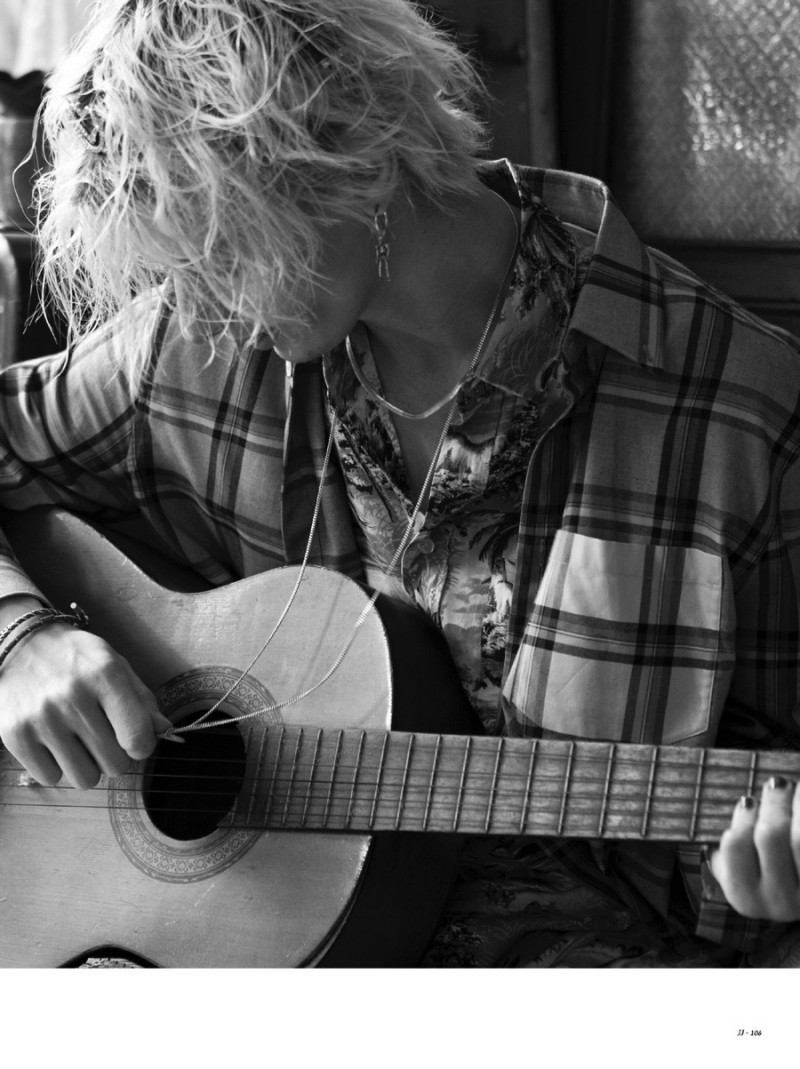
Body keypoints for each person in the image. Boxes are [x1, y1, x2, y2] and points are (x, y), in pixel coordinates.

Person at [0, 0, 799, 968]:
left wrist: (767, 886)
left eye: (218, 248)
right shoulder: (195, 346)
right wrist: (21, 639)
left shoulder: (737, 410)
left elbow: (758, 838)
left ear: (342, 146)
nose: (199, 298)